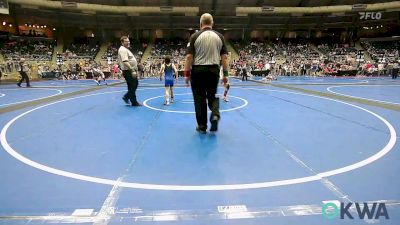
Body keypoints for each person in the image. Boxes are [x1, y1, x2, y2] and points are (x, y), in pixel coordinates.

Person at [184, 13, 229, 133]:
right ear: (212, 24)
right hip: (214, 71)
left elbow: (189, 57)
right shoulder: (220, 36)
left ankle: (202, 126)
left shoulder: (194, 36)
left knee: (199, 98)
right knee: (212, 96)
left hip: (198, 71)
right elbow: (224, 58)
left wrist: (187, 75)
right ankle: (215, 114)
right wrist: (225, 76)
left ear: (200, 24)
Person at [118, 36, 141, 106]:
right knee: (134, 85)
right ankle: (126, 97)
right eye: (126, 41)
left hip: (129, 70)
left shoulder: (125, 49)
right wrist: (132, 70)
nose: (128, 42)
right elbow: (125, 61)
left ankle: (134, 102)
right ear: (122, 42)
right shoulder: (123, 50)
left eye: (128, 41)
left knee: (131, 86)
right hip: (128, 71)